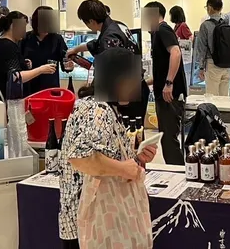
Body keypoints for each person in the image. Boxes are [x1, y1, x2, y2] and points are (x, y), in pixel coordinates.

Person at [58, 48, 157, 249]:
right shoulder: (99, 110)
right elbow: (81, 157)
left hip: (86, 221)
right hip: (91, 223)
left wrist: (136, 159)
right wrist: (124, 169)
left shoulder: (94, 105)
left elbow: (101, 154)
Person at [67, 0, 148, 122]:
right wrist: (75, 49)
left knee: (128, 131)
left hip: (127, 95)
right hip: (138, 87)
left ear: (91, 21)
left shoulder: (109, 37)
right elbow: (95, 44)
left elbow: (117, 71)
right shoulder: (117, 25)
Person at [144, 1, 187, 165]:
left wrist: (169, 83)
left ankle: (178, 173)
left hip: (170, 95)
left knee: (169, 139)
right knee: (167, 138)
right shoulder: (157, 33)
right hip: (165, 92)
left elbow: (176, 53)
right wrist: (147, 82)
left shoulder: (163, 29)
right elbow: (163, 67)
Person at [0, 11, 56, 99]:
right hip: (7, 98)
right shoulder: (7, 46)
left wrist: (22, 63)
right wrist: (41, 70)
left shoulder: (4, 43)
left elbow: (7, 67)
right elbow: (16, 77)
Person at [21, 6, 73, 95]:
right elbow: (19, 61)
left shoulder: (57, 39)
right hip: (29, 87)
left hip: (51, 87)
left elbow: (64, 60)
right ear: (36, 23)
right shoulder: (25, 38)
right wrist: (24, 63)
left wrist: (69, 66)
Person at [194, 0, 230, 96]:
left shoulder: (205, 25)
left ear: (210, 8)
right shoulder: (227, 24)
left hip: (213, 64)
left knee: (212, 97)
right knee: (224, 97)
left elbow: (202, 48)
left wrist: (201, 68)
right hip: (228, 65)